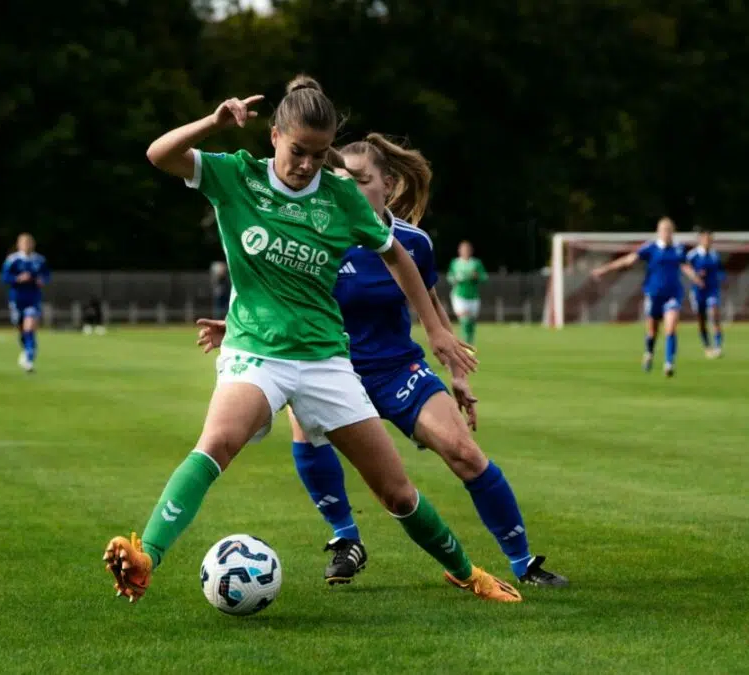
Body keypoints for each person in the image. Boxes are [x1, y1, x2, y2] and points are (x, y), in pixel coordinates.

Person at [104, 76, 517, 603]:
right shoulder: (236, 177)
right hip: (257, 352)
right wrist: (215, 122)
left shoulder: (342, 198)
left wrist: (435, 327)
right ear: (274, 135)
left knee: (394, 492)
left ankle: (467, 573)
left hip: (324, 359)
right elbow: (159, 154)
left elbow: (397, 254)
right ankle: (145, 558)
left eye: (320, 156)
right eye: (298, 151)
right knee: (218, 442)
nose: (306, 165)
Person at [196, 133, 567, 588]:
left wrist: (457, 372)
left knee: (465, 453)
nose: (347, 191)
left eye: (361, 181)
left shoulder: (413, 243)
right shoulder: (318, 230)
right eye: (341, 181)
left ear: (388, 186)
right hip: (328, 368)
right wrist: (234, 330)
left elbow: (429, 306)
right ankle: (345, 539)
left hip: (397, 369)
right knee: (304, 426)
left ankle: (523, 563)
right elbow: (279, 299)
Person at [592, 218, 703, 377]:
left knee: (670, 328)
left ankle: (668, 363)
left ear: (673, 232)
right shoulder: (651, 248)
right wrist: (605, 269)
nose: (666, 233)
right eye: (663, 230)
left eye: (669, 230)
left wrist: (696, 278)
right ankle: (649, 353)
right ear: (658, 232)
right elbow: (628, 260)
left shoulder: (678, 249)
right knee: (652, 332)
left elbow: (685, 266)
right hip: (653, 294)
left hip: (673, 294)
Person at [1, 234, 50, 372]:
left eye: (29, 243)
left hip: (33, 298)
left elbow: (46, 275)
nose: (27, 245)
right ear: (19, 245)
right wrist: (17, 278)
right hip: (17, 298)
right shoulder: (13, 260)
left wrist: (42, 280)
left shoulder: (39, 260)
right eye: (24, 243)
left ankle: (28, 359)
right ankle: (25, 349)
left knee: (30, 327)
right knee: (21, 328)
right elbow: (5, 277)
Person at [686, 229, 725, 358]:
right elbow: (685, 267)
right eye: (705, 239)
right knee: (701, 320)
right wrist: (695, 276)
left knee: (714, 314)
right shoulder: (692, 255)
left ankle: (718, 346)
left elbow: (721, 271)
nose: (708, 241)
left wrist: (721, 278)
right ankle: (707, 346)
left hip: (712, 290)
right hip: (698, 292)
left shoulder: (715, 256)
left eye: (710, 239)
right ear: (701, 240)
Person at [447, 241, 487, 345]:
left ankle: (470, 344)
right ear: (459, 251)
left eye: (467, 249)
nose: (465, 251)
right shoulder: (455, 263)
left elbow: (484, 277)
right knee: (465, 320)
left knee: (471, 323)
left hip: (473, 296)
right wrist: (455, 279)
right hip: (459, 296)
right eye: (463, 249)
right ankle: (464, 345)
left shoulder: (476, 263)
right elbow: (449, 277)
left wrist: (476, 276)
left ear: (471, 251)